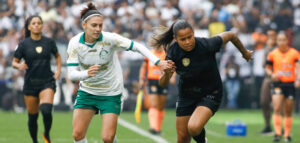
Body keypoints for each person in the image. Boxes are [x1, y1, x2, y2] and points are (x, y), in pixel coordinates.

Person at [67, 3, 173, 143]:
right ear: (84, 25)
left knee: (107, 138)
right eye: (94, 25)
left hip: (111, 93)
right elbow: (72, 74)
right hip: (87, 92)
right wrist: (86, 73)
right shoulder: (74, 43)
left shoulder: (110, 39)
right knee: (77, 135)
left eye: (100, 25)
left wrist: (158, 62)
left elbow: (138, 47)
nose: (98, 29)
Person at [155, 20, 252, 143]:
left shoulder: (207, 44)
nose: (188, 42)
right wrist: (167, 74)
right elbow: (162, 83)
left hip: (210, 93)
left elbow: (231, 35)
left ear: (193, 33)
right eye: (183, 39)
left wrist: (245, 53)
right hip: (187, 95)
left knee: (194, 128)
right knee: (182, 139)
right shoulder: (173, 52)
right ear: (175, 38)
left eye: (190, 37)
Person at [12, 15, 62, 143]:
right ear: (29, 27)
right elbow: (14, 62)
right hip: (30, 84)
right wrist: (19, 65)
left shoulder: (49, 42)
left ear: (42, 25)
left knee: (46, 110)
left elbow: (57, 56)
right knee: (32, 117)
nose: (36, 25)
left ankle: (46, 134)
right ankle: (35, 141)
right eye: (33, 23)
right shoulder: (23, 44)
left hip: (47, 82)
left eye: (39, 23)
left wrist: (58, 70)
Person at [265, 31, 300, 142]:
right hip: (278, 83)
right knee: (276, 107)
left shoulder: (294, 53)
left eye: (283, 40)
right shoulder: (272, 53)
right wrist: (272, 74)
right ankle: (277, 134)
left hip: (290, 84)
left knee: (288, 110)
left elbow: (298, 68)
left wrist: (298, 79)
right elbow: (267, 68)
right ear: (277, 41)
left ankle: (287, 135)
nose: (281, 42)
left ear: (287, 41)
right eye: (279, 40)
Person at [139, 45, 176, 135]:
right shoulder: (149, 53)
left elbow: (173, 67)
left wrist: (173, 76)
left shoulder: (165, 54)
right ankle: (153, 127)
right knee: (154, 105)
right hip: (152, 81)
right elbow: (143, 67)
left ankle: (158, 129)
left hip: (164, 80)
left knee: (161, 106)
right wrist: (141, 79)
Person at [259, 29, 277, 135]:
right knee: (264, 101)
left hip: (279, 79)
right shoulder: (267, 48)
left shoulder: (279, 48)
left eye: (272, 36)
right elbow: (264, 64)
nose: (270, 38)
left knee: (278, 105)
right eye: (268, 36)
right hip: (268, 78)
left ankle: (280, 127)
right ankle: (267, 126)